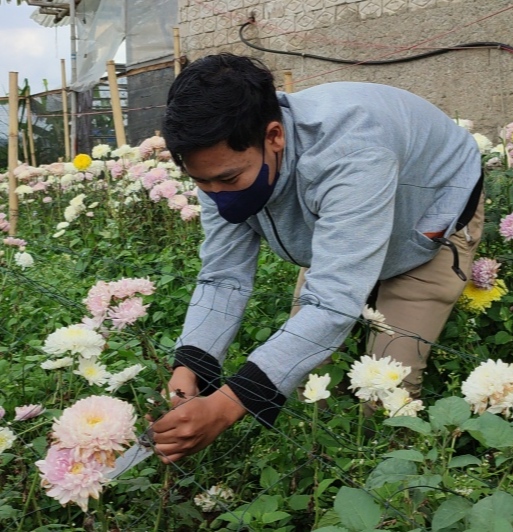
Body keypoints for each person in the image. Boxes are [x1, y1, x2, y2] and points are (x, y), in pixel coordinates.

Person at [151, 53, 484, 463]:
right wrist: (191, 367)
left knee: (386, 393)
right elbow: (223, 278)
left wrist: (224, 408)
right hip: (343, 215)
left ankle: (397, 494)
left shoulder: (351, 150)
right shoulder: (224, 162)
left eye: (229, 179)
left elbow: (329, 304)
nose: (217, 193)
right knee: (308, 382)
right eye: (202, 182)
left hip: (427, 209)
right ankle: (324, 472)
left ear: (274, 136)